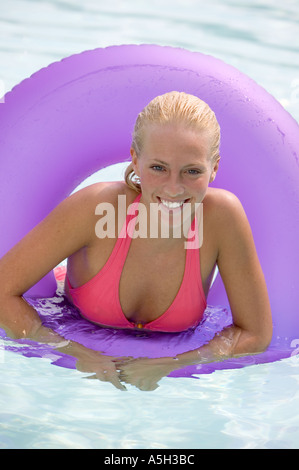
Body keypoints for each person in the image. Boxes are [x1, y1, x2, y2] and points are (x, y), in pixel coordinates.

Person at [0, 91, 272, 391]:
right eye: (158, 167)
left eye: (192, 171)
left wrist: (177, 362)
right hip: (69, 329)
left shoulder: (223, 218)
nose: (173, 188)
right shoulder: (94, 209)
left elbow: (255, 334)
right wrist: (70, 350)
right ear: (135, 160)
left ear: (215, 168)